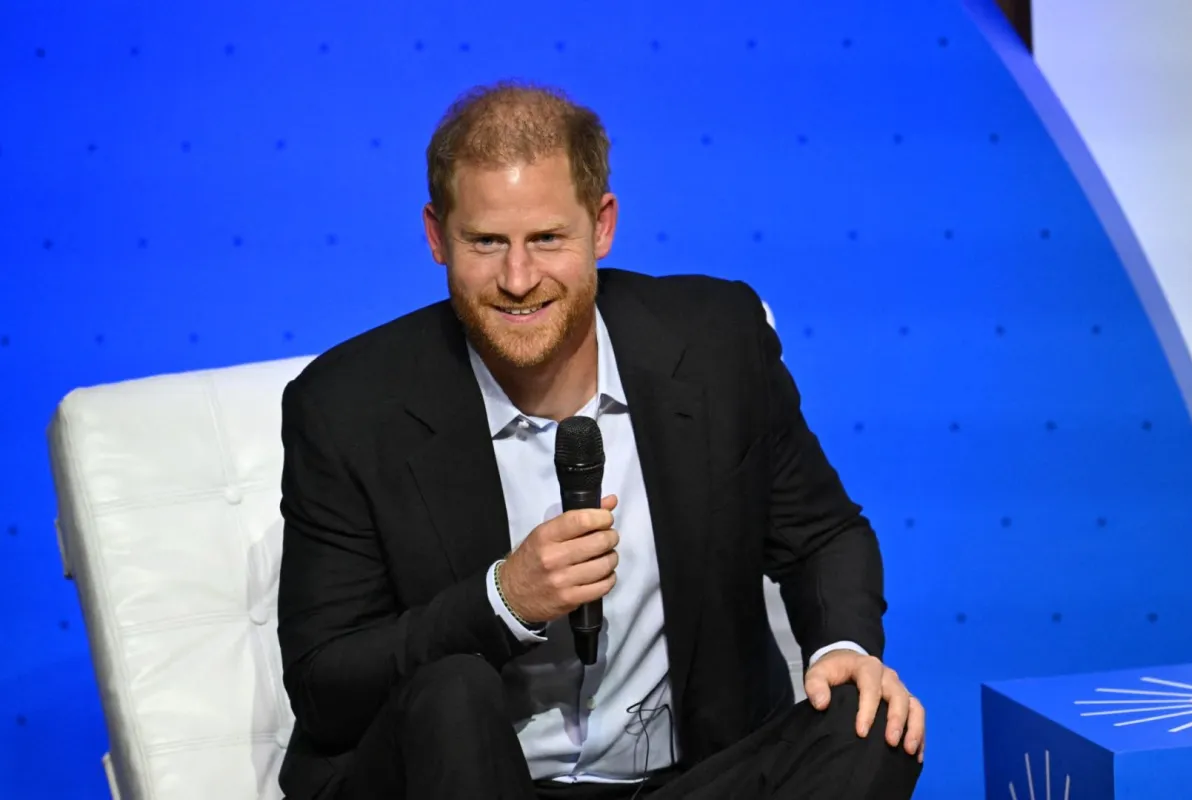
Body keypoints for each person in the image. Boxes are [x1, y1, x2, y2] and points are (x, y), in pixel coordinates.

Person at [275, 79, 924, 800]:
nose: (518, 279)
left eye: (547, 238)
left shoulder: (716, 342)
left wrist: (843, 647)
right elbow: (324, 681)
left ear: (602, 226)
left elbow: (822, 534)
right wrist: (503, 601)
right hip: (472, 781)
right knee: (453, 690)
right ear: (436, 236)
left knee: (874, 728)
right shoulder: (347, 405)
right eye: (486, 242)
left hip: (688, 778)